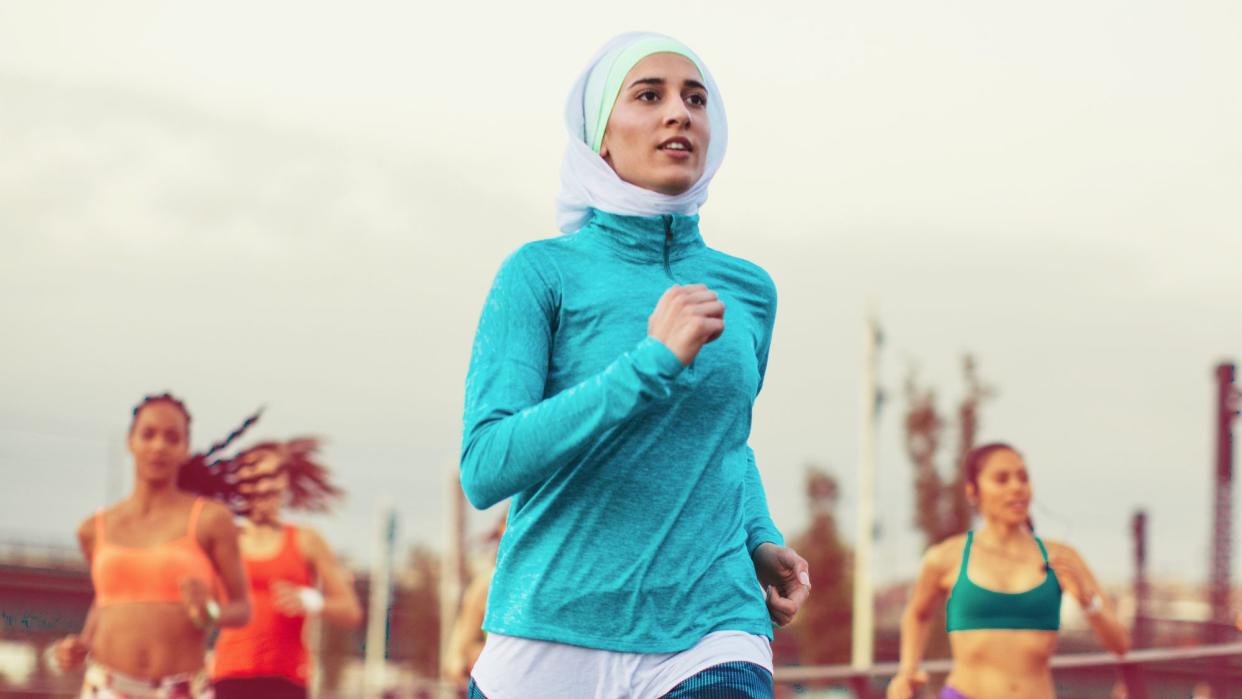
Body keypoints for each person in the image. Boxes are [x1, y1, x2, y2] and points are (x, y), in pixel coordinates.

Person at [459, 32, 810, 699]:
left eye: (695, 99)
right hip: (552, 632)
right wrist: (648, 364)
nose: (679, 113)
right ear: (600, 137)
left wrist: (760, 536)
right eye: (649, 95)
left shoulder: (750, 289)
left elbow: (725, 442)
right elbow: (485, 465)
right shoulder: (541, 273)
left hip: (712, 624)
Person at [887, 443, 1131, 699]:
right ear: (973, 491)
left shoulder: (1062, 558)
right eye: (1002, 479)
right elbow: (917, 614)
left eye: (1023, 478)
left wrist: (1086, 600)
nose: (1017, 487)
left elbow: (1120, 645)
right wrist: (907, 670)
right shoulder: (947, 557)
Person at [51, 393, 254, 698]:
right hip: (105, 685)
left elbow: (242, 608)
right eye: (148, 434)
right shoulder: (94, 528)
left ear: (185, 448)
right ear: (130, 441)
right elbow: (106, 599)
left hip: (181, 688)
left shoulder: (210, 519)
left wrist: (210, 613)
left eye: (172, 438)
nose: (159, 446)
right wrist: (80, 645)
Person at [207, 437, 363, 699]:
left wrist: (312, 602)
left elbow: (350, 611)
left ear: (285, 482)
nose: (263, 486)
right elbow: (200, 607)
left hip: (287, 679)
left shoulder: (306, 539)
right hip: (229, 676)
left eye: (272, 476)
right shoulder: (225, 539)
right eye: (254, 478)